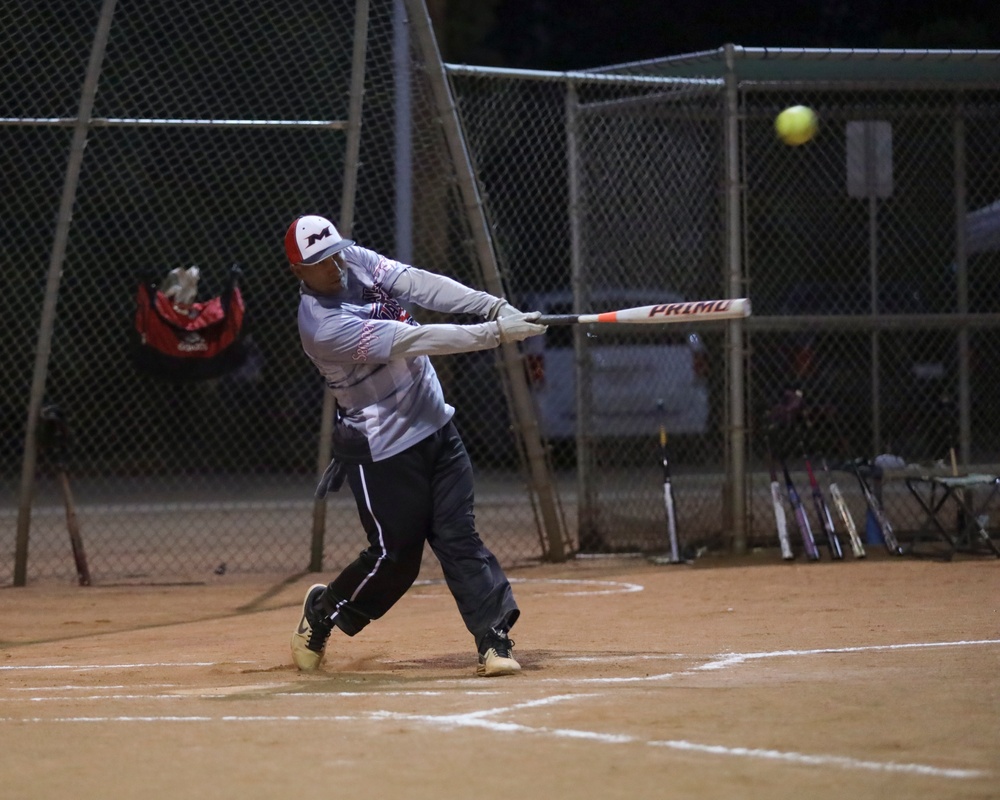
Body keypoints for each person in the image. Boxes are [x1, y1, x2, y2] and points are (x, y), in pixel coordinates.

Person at [283, 214, 547, 677]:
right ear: (300, 272)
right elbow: (414, 338)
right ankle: (324, 611)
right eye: (322, 262)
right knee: (395, 558)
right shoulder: (321, 326)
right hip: (383, 446)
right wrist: (496, 334)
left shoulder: (354, 261)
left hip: (436, 425)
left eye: (337, 251)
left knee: (458, 536)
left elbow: (420, 285)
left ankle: (493, 640)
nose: (336, 264)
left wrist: (492, 306)